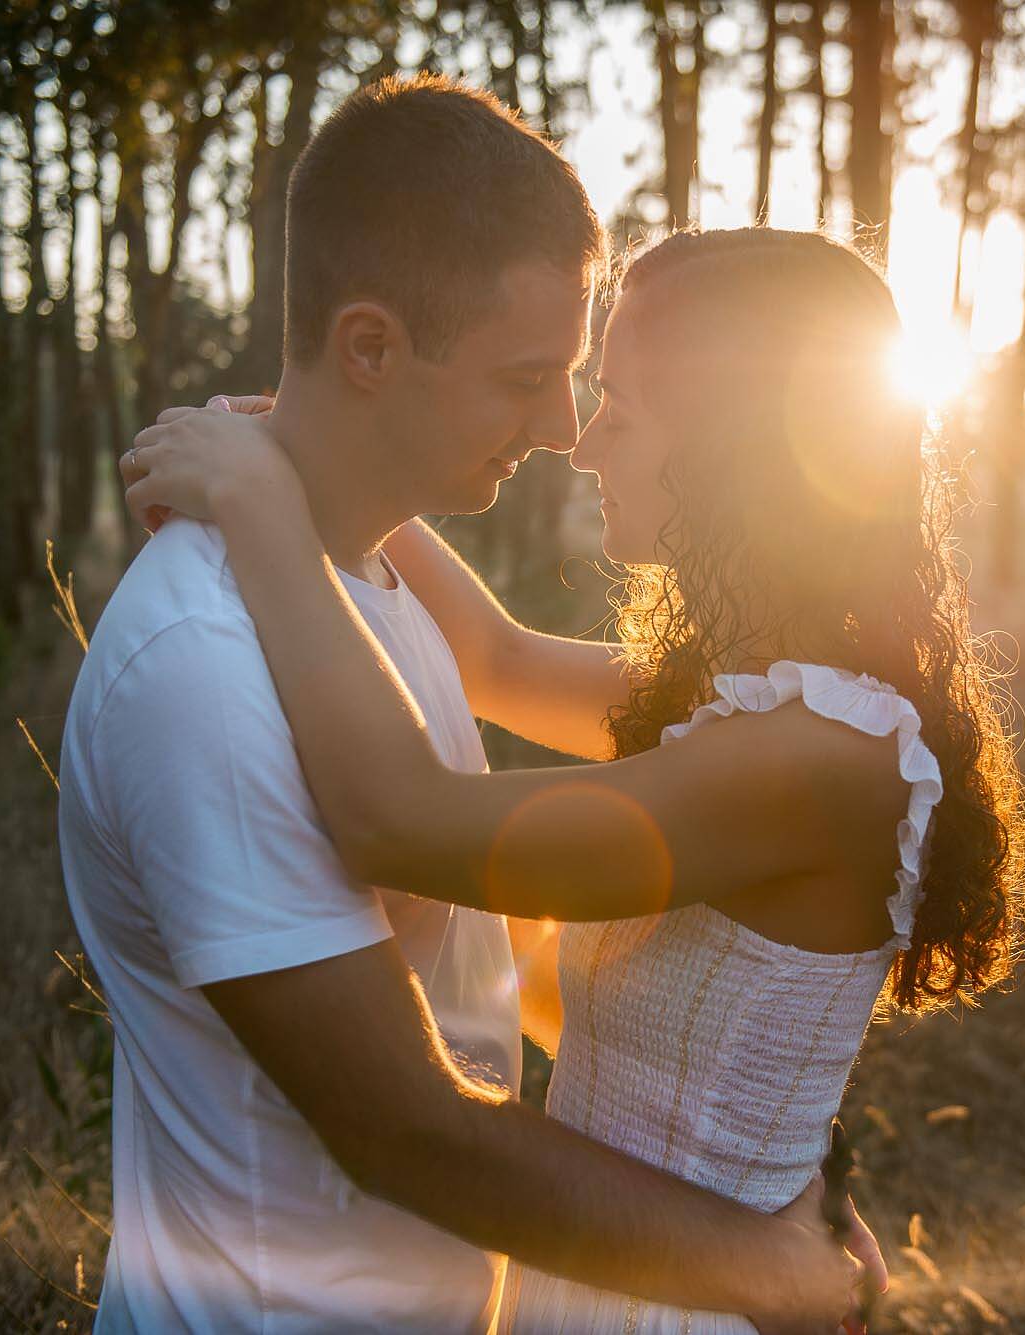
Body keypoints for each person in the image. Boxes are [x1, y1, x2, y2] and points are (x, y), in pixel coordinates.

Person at [119, 226, 1025, 1332]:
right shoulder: (740, 699)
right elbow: (495, 659)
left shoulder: (820, 753)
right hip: (622, 1271)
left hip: (686, 1303)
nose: (582, 442)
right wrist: (305, 447)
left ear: (736, 450)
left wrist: (265, 509)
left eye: (621, 408)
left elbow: (396, 821)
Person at [58, 75, 873, 1334]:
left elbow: (476, 962)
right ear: (372, 347)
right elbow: (401, 1127)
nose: (562, 428)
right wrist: (757, 1255)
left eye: (593, 388)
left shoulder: (370, 605)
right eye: (528, 376)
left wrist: (776, 1159)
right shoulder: (207, 662)